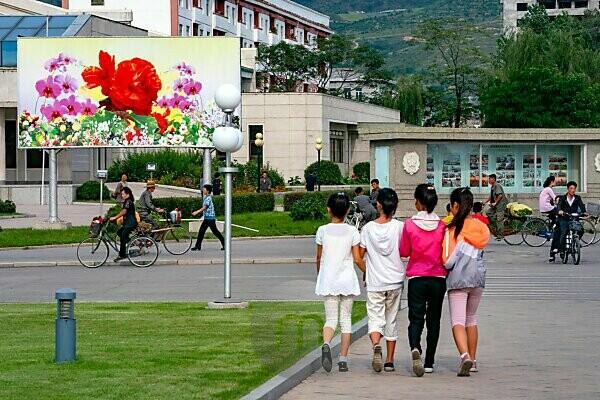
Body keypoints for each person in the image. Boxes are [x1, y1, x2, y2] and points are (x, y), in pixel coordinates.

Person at [400, 184, 447, 376]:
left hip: (417, 278)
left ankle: (415, 347)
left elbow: (404, 251)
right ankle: (429, 362)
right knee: (434, 320)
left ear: (418, 202)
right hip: (438, 278)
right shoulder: (442, 226)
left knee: (416, 318)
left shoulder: (409, 225)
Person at [316, 193, 366, 373]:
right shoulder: (352, 231)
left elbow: (319, 256)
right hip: (346, 280)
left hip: (329, 279)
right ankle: (343, 359)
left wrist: (320, 274)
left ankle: (327, 343)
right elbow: (357, 258)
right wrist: (367, 271)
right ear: (347, 210)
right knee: (346, 320)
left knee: (330, 319)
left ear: (328, 209)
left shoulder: (322, 230)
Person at [443, 187, 490, 376]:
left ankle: (464, 357)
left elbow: (447, 261)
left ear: (455, 206)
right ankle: (474, 359)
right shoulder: (481, 228)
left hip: (458, 281)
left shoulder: (452, 230)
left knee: (458, 321)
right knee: (472, 318)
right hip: (477, 279)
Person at [359, 188, 405, 373]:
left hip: (375, 282)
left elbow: (359, 255)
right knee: (391, 319)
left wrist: (366, 270)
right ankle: (389, 361)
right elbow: (405, 250)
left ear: (378, 205)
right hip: (395, 281)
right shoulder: (400, 227)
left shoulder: (368, 229)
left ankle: (376, 345)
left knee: (375, 318)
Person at [551, 181, 586, 261]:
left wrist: (584, 213)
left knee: (581, 230)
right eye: (571, 188)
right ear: (568, 189)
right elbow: (558, 207)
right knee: (564, 232)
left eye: (574, 188)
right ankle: (562, 250)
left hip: (574, 219)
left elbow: (582, 207)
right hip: (564, 219)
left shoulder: (577, 198)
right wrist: (560, 211)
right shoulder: (563, 198)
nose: (573, 190)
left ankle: (575, 242)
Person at [191, 184, 225, 251]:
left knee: (214, 232)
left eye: (204, 189)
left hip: (210, 218)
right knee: (202, 231)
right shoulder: (206, 197)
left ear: (208, 190)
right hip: (207, 218)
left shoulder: (208, 198)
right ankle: (198, 246)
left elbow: (205, 207)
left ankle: (225, 244)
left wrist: (197, 212)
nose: (203, 190)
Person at [109, 187, 137, 262]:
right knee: (119, 232)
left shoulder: (128, 202)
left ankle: (122, 255)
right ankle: (132, 242)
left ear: (127, 194)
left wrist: (115, 217)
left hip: (130, 223)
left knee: (123, 238)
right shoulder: (126, 201)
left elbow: (124, 211)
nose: (122, 195)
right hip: (127, 223)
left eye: (123, 194)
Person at [485, 174, 508, 241]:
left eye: (489, 179)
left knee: (499, 219)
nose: (488, 180)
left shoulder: (497, 185)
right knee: (488, 212)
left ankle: (500, 235)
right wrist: (485, 202)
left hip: (500, 205)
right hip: (495, 205)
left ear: (493, 179)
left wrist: (495, 203)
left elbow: (500, 195)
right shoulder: (492, 187)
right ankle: (498, 224)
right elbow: (491, 196)